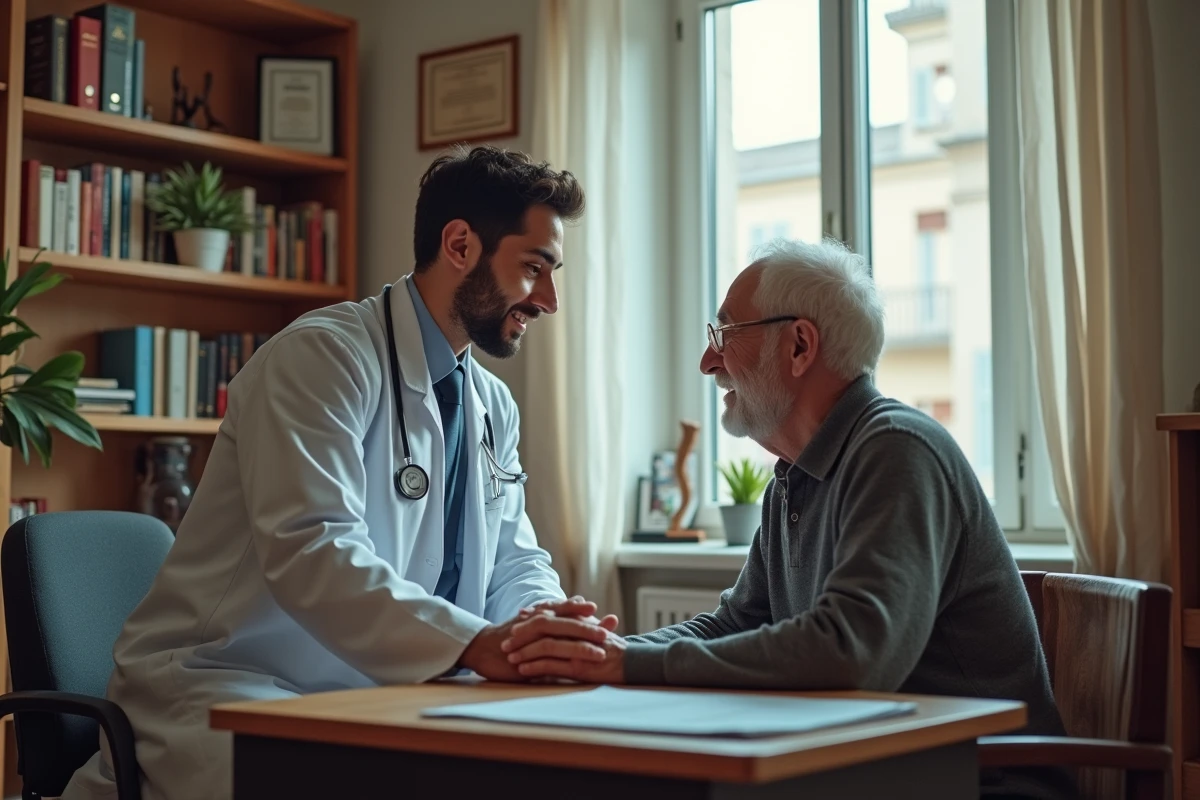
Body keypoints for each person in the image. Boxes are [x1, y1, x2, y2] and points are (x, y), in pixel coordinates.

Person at [62, 145, 616, 800]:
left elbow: (513, 559)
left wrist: (544, 629)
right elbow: (312, 551)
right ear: (460, 245)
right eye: (534, 268)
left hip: (379, 694)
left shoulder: (490, 402)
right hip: (231, 687)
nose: (550, 300)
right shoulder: (321, 358)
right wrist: (474, 645)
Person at [501, 238, 1078, 799]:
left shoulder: (897, 449)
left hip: (981, 781)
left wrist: (629, 665)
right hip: (880, 770)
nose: (709, 361)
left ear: (800, 346)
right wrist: (600, 653)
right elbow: (734, 625)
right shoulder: (796, 476)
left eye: (724, 334)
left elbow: (853, 652)